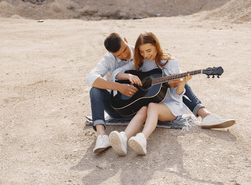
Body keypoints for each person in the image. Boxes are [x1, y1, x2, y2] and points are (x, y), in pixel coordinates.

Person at [86, 32, 235, 154]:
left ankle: (204, 114)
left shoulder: (142, 54)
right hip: (120, 104)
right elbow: (98, 76)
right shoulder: (129, 59)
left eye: (126, 50)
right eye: (119, 55)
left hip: (147, 104)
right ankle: (104, 136)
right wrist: (122, 83)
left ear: (126, 41)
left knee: (172, 82)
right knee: (96, 89)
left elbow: (176, 87)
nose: (125, 55)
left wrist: (180, 80)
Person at [109, 31, 191, 156]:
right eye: (142, 52)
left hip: (170, 106)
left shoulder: (171, 62)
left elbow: (177, 94)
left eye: (149, 50)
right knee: (143, 108)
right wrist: (129, 76)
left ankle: (142, 139)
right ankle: (123, 138)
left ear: (156, 46)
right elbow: (116, 73)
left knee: (152, 106)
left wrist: (181, 83)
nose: (146, 55)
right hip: (150, 103)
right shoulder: (141, 61)